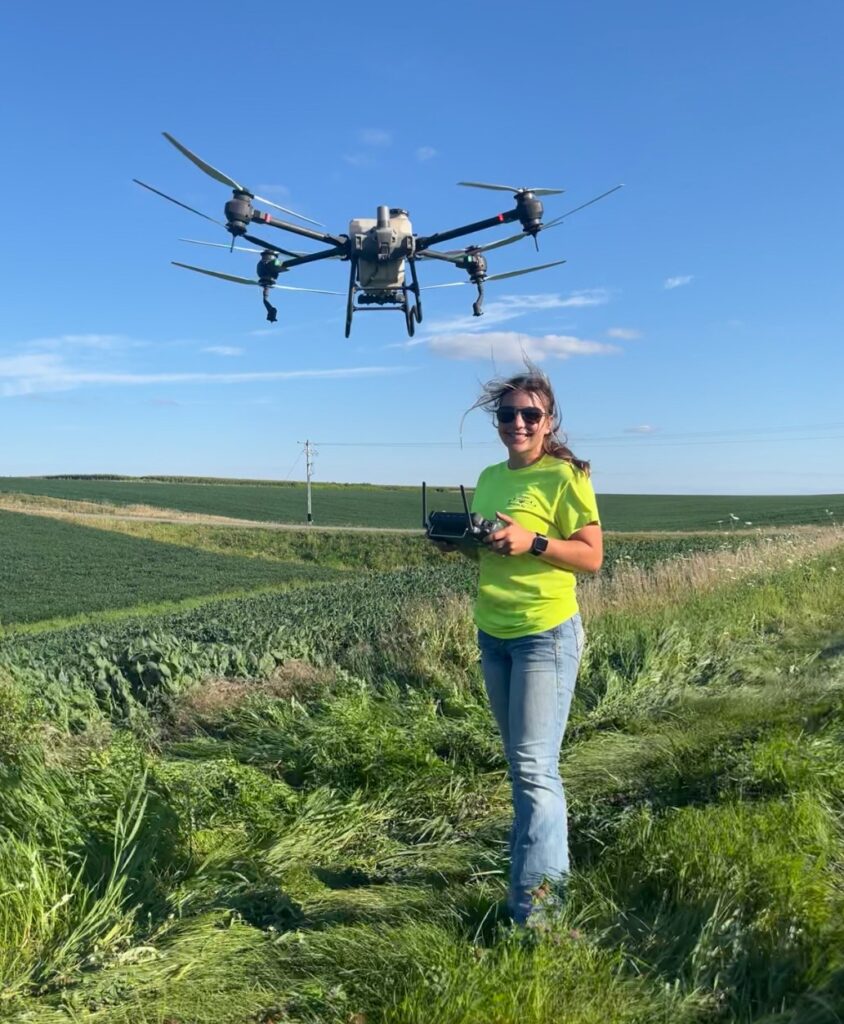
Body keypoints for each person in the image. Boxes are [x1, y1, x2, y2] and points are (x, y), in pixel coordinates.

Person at [434, 367, 602, 926]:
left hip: (544, 635)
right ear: (497, 422)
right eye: (508, 414)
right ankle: (531, 889)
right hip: (494, 632)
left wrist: (531, 541)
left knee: (535, 770)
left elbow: (591, 557)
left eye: (531, 414)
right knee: (522, 769)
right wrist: (461, 544)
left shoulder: (565, 477)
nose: (519, 423)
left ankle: (541, 915)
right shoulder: (488, 477)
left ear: (548, 421)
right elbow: (492, 550)